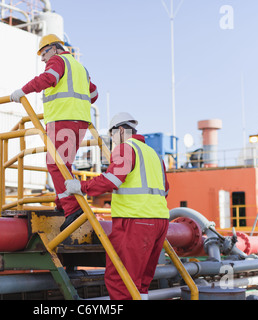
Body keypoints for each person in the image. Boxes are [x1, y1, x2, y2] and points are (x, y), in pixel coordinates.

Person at [64, 112, 170, 300]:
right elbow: (165, 190)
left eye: (112, 135)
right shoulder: (154, 155)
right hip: (160, 223)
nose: (112, 141)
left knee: (120, 279)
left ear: (120, 130)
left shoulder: (125, 149)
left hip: (135, 222)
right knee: (141, 281)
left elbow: (111, 180)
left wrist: (80, 186)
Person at [10, 34, 98, 231]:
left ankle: (72, 208)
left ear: (56, 48)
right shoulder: (80, 68)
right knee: (62, 163)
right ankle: (63, 204)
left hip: (64, 119)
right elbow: (93, 94)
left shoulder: (58, 60)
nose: (42, 58)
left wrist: (23, 91)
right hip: (80, 121)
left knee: (56, 163)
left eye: (44, 52)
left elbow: (49, 78)